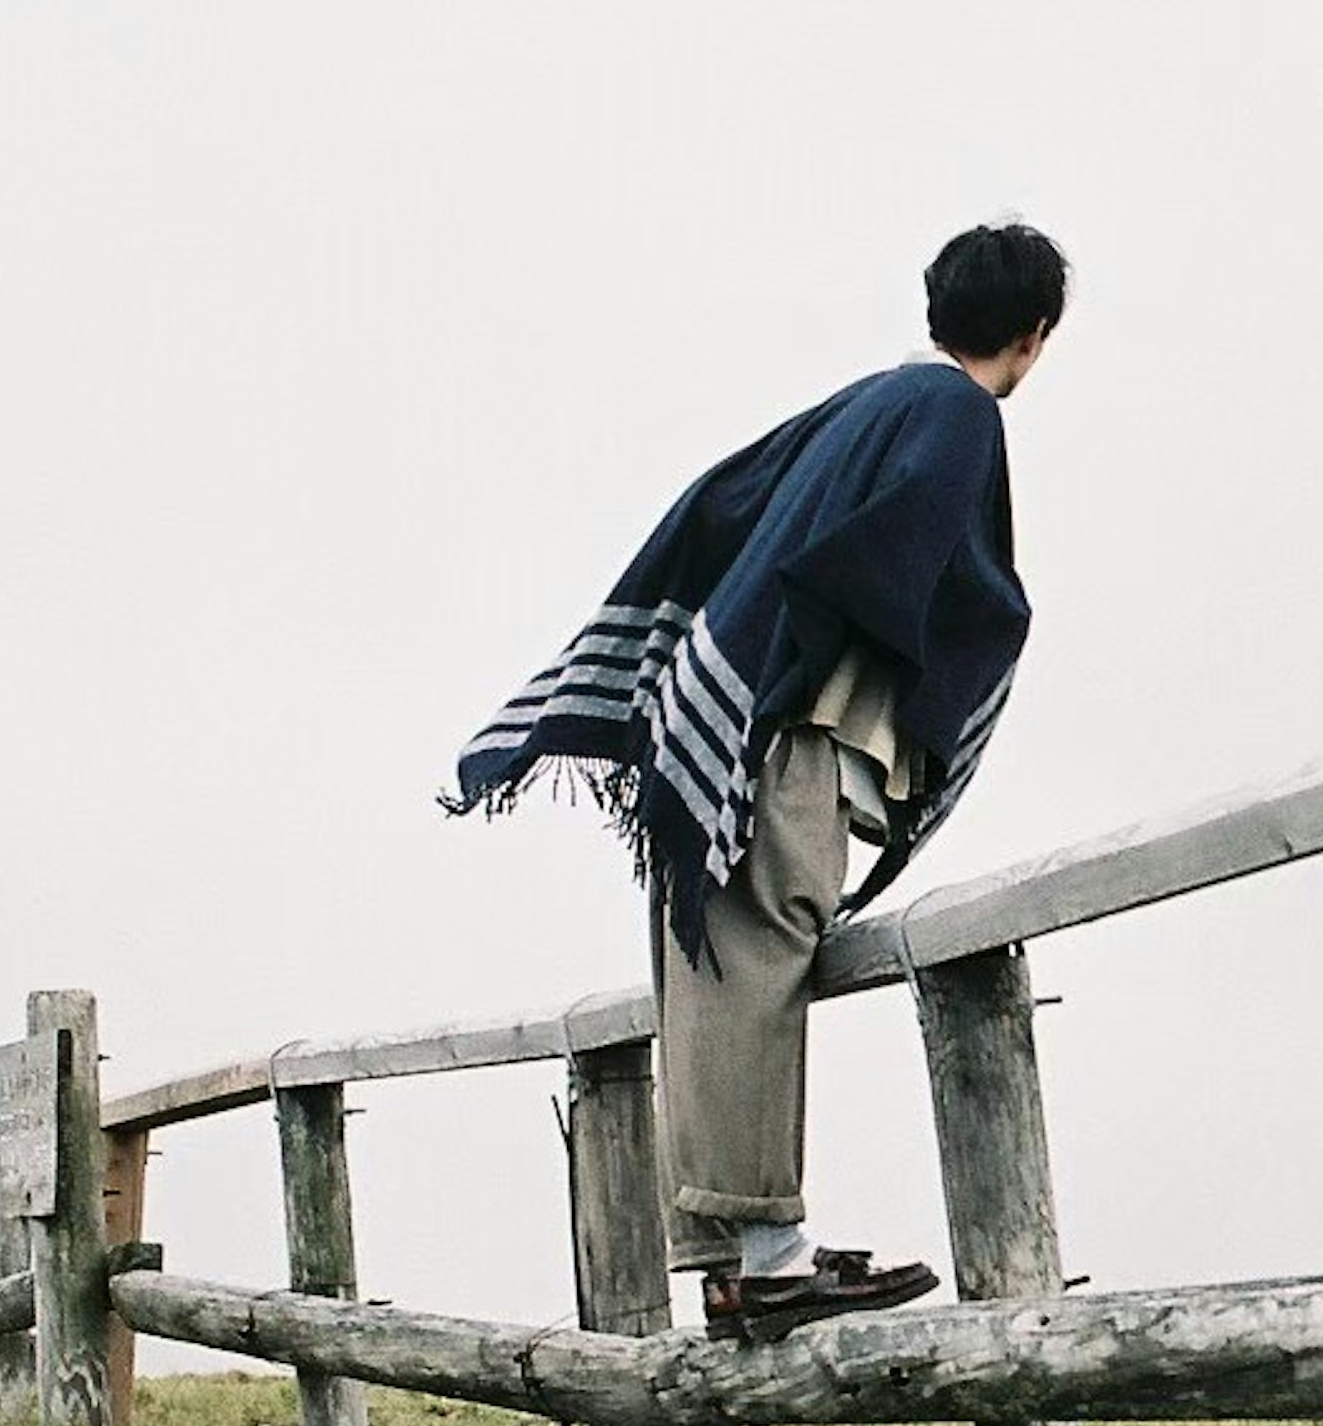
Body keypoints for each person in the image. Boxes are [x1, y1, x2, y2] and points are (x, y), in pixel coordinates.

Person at [443, 221, 1069, 1343]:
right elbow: (920, 557)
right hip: (789, 723)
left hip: (735, 711)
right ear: (1034, 334)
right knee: (760, 950)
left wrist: (739, 637)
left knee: (714, 958)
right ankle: (770, 1257)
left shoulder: (863, 403)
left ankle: (738, 1262)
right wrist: (911, 628)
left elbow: (717, 501)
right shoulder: (955, 414)